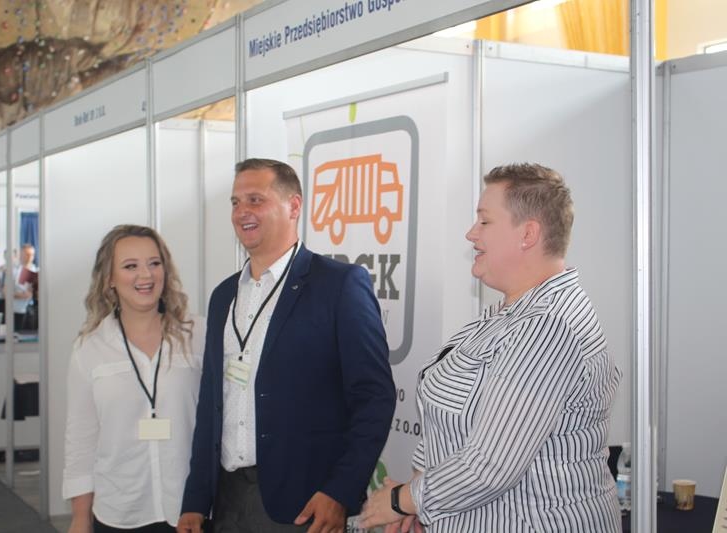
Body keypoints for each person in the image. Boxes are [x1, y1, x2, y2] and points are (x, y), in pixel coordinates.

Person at [359, 163, 622, 532]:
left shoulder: (548, 327)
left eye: (484, 221)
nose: (471, 233)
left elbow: (490, 467)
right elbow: (447, 421)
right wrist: (420, 504)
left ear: (528, 233)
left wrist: (401, 500)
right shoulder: (508, 314)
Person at [178, 158, 396, 533]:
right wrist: (196, 500)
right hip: (227, 501)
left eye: (255, 200)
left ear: (294, 206)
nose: (241, 212)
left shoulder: (339, 285)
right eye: (235, 202)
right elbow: (212, 403)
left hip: (305, 504)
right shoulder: (223, 296)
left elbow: (374, 397)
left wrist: (341, 491)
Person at [63, 225, 205, 533]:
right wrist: (80, 518)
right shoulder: (90, 349)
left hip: (190, 509)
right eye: (130, 266)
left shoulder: (197, 334)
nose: (146, 275)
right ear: (109, 279)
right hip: (120, 510)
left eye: (154, 263)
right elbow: (81, 439)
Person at [0, 245, 35, 329]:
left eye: (31, 255)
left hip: (25, 307)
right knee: (5, 328)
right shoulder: (0, 271)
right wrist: (16, 294)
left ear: (16, 256)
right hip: (5, 303)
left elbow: (30, 293)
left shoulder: (31, 270)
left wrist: (15, 294)